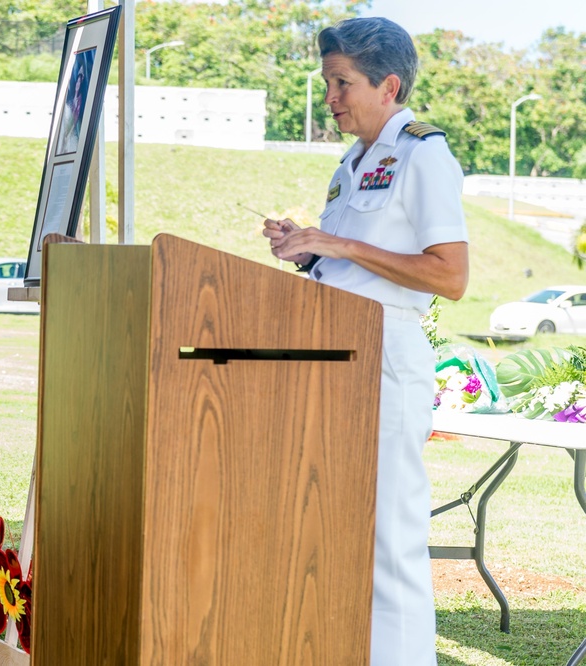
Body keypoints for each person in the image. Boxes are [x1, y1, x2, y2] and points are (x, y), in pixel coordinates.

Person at [262, 17, 468, 666]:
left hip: (386, 361)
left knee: (389, 541)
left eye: (342, 82)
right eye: (327, 81)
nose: (331, 95)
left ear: (389, 85)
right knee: (341, 534)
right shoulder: (353, 162)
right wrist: (306, 251)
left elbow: (451, 276)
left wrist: (338, 243)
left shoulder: (423, 153)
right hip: (335, 358)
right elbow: (355, 268)